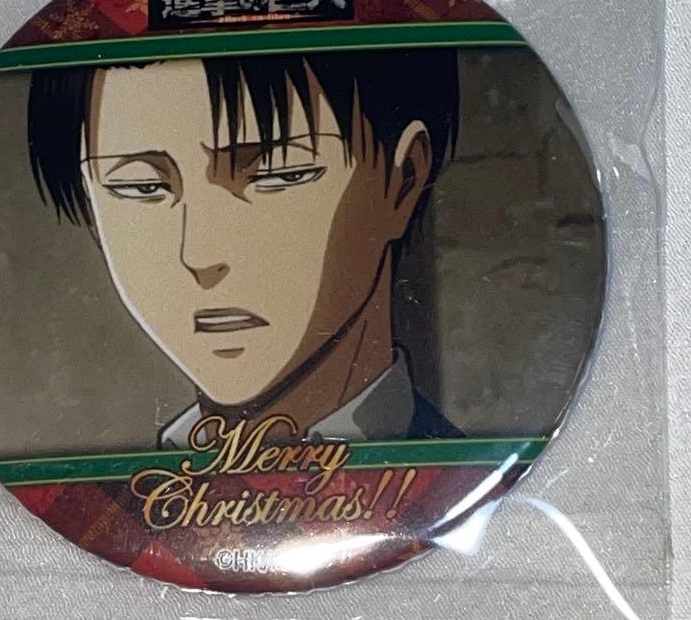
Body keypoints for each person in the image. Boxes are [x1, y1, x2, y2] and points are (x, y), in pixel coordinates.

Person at [27, 48, 462, 447]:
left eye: (277, 175)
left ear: (402, 181)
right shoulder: (108, 495)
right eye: (141, 186)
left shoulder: (463, 480)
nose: (200, 255)